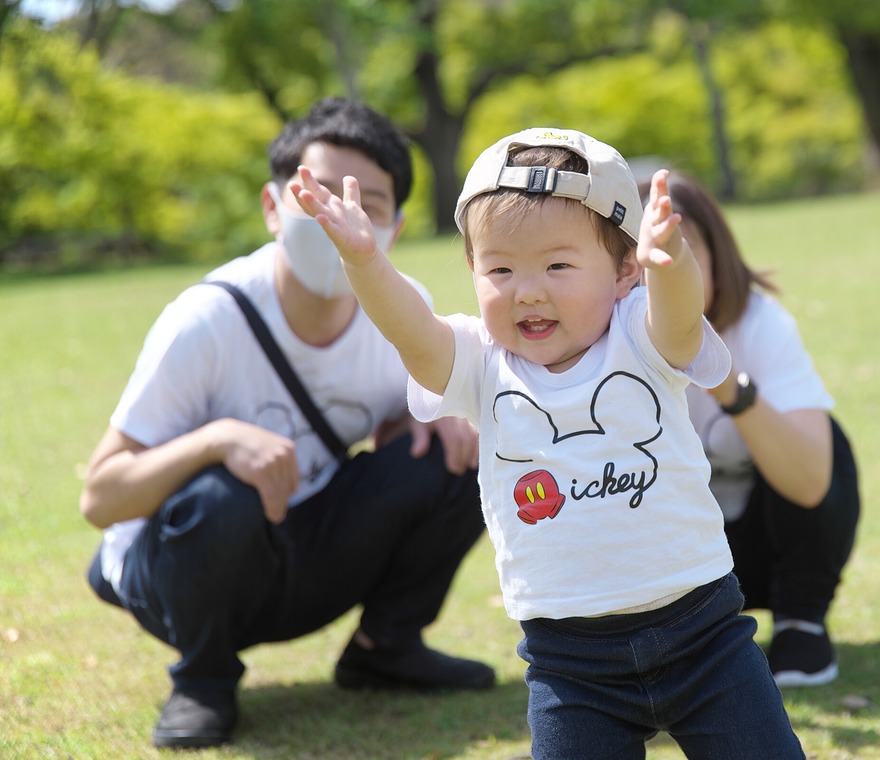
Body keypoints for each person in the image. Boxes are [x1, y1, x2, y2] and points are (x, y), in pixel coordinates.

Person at [292, 127, 804, 759]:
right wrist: (365, 263)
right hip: (570, 664)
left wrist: (670, 263)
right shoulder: (480, 362)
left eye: (558, 265)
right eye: (499, 268)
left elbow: (676, 318)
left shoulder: (640, 337)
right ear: (473, 271)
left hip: (704, 638)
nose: (527, 290)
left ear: (622, 271)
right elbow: (413, 333)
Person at [79, 97, 494, 750]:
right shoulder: (208, 319)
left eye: (366, 203)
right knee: (222, 491)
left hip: (300, 555)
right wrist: (216, 440)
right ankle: (202, 681)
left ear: (395, 227)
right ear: (273, 207)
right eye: (315, 192)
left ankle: (385, 646)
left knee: (469, 448)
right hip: (175, 575)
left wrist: (439, 420)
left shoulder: (401, 313)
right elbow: (99, 497)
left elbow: (405, 424)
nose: (337, 216)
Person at [638, 173, 861, 688]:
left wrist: (727, 386)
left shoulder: (762, 324)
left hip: (763, 544)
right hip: (680, 561)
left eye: (677, 251)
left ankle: (800, 618)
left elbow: (810, 482)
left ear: (717, 251)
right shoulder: (606, 341)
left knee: (826, 444)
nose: (660, 271)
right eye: (639, 258)